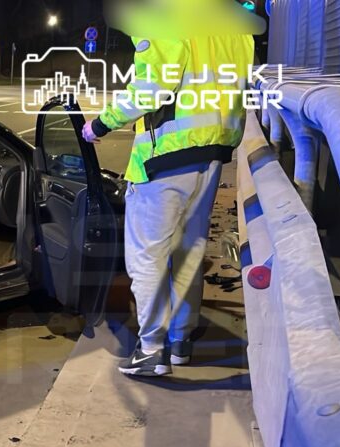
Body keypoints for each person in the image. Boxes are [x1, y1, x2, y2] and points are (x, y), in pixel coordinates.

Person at [82, 0, 262, 377]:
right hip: (214, 152)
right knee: (189, 251)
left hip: (166, 154)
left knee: (147, 257)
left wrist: (99, 125)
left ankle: (150, 350)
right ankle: (180, 342)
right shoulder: (232, 18)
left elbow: (152, 89)